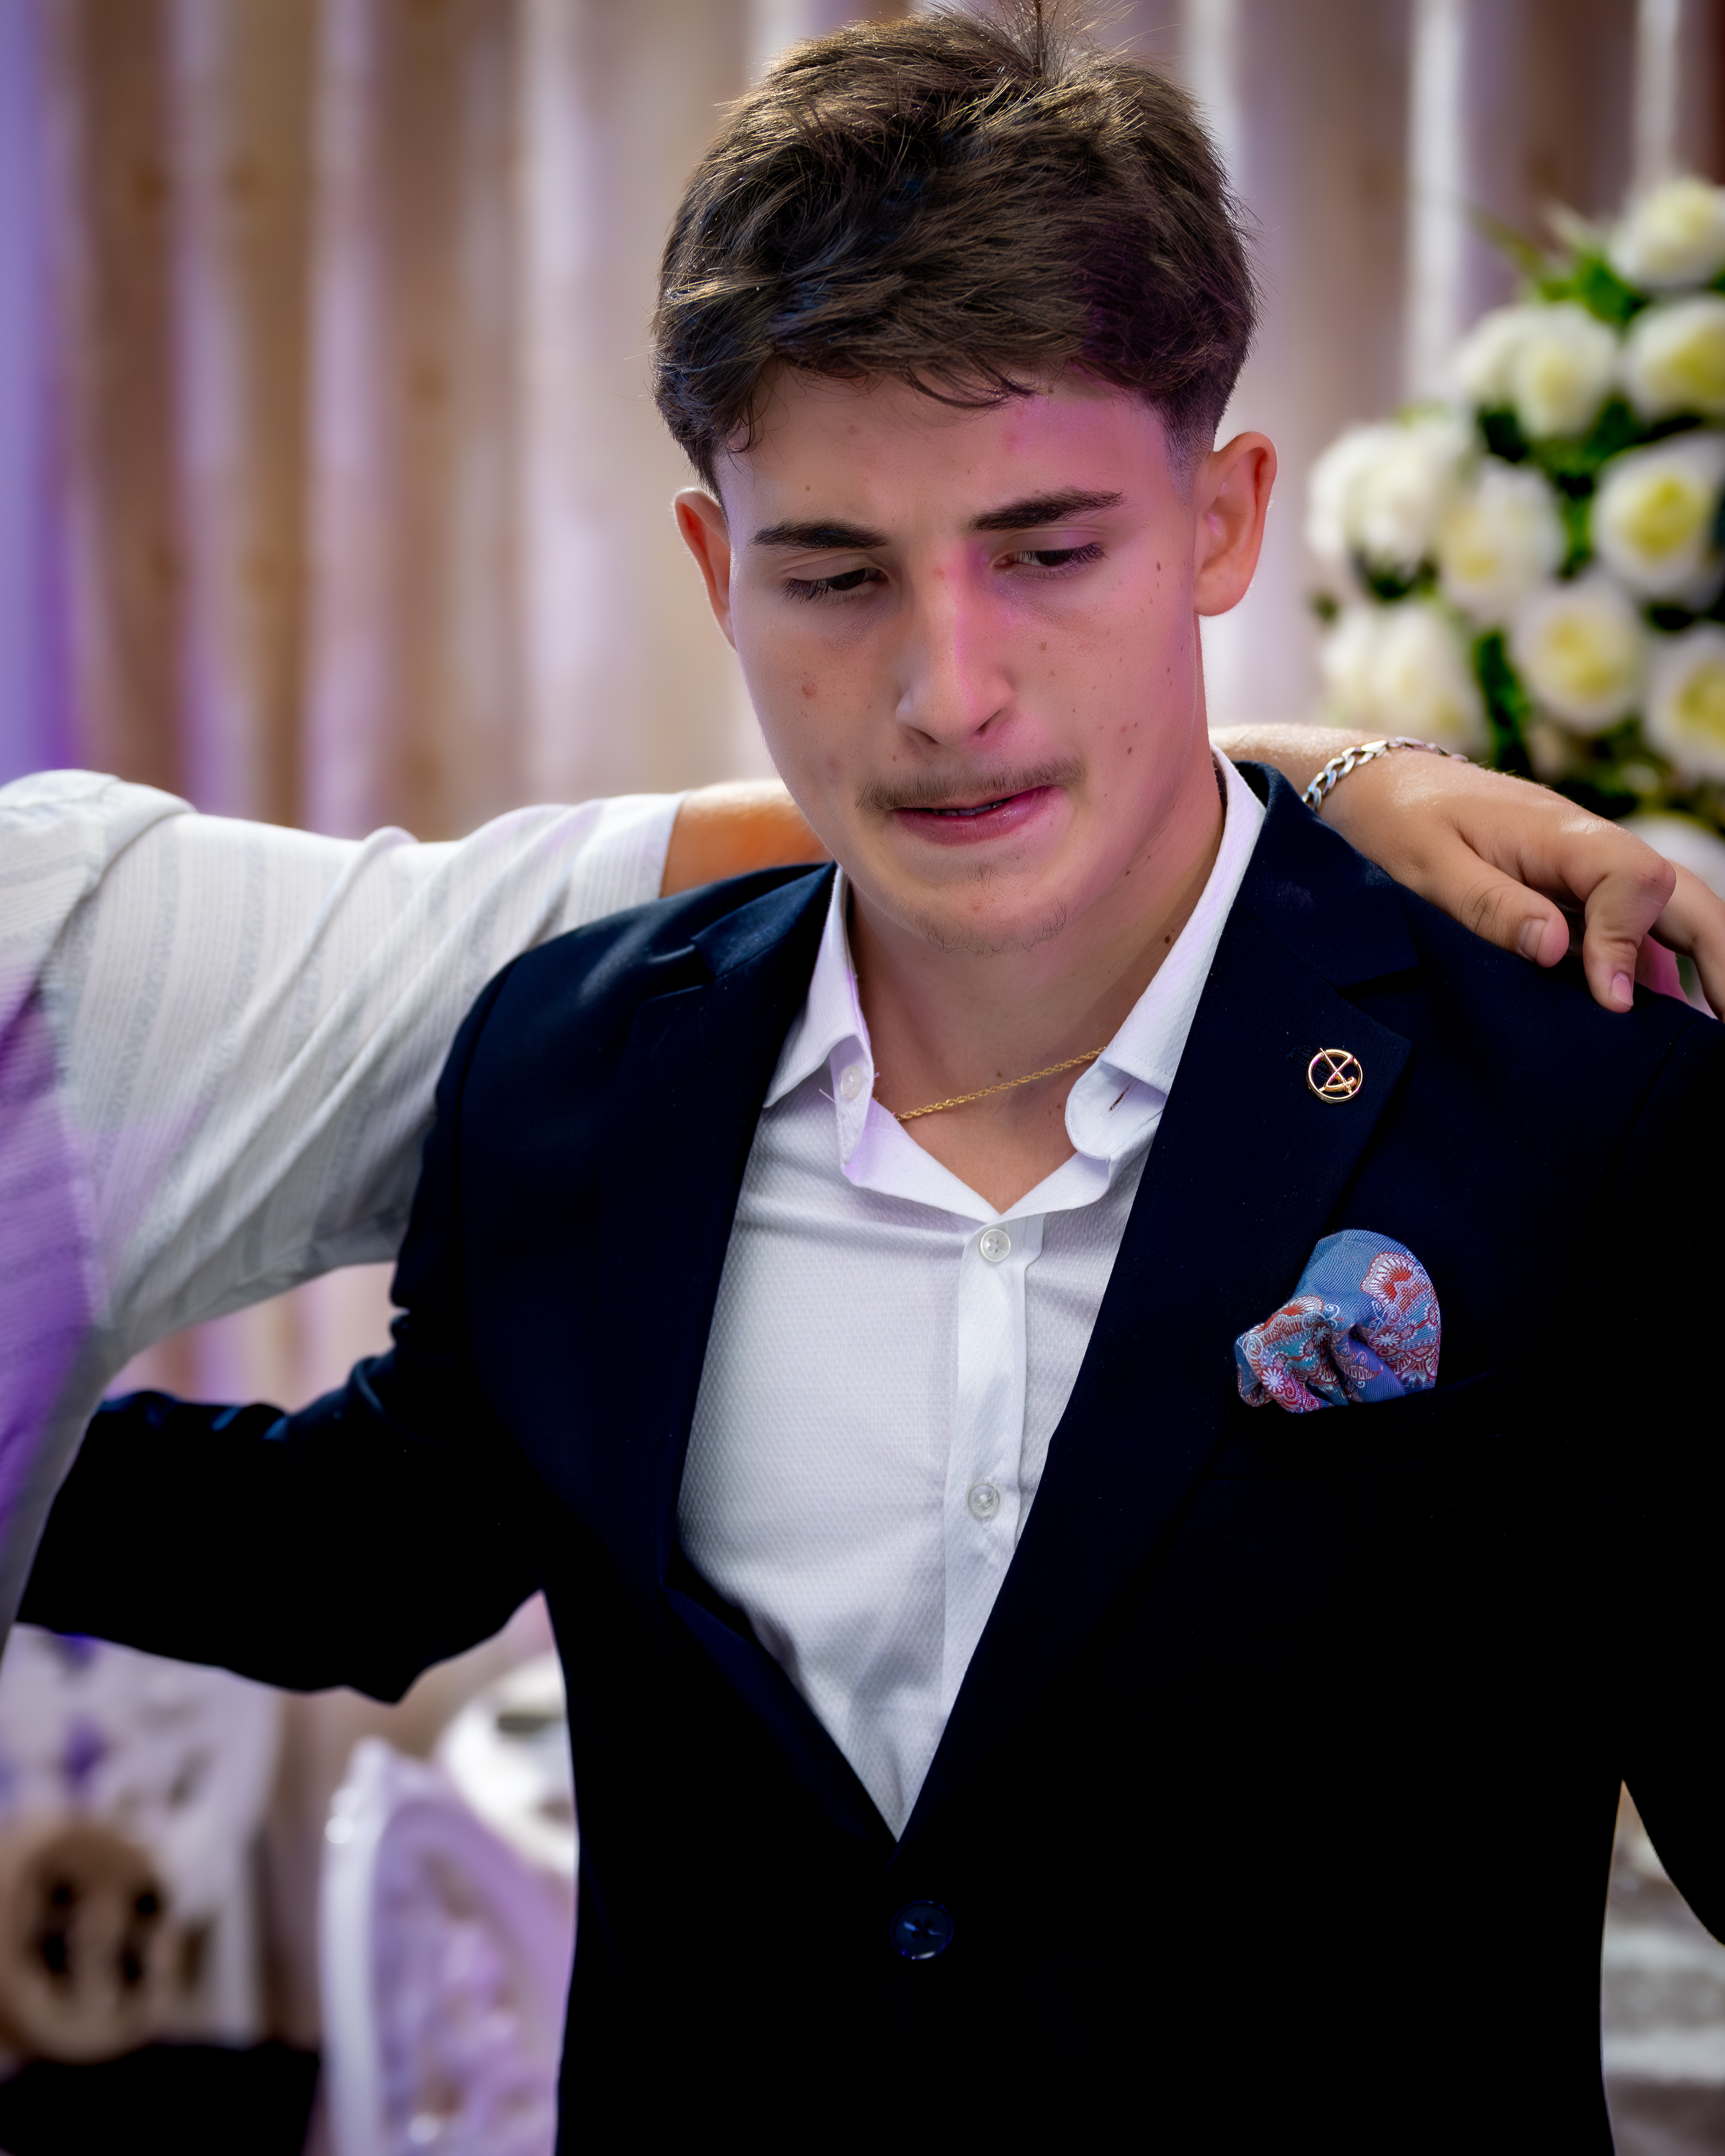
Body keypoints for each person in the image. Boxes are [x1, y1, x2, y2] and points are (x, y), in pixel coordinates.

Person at [14, 7, 1725, 2141]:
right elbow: (359, 1549)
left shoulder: (1573, 1099)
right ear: (715, 568)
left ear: (1220, 522)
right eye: (834, 575)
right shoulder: (570, 1068)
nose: (948, 690)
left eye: (1048, 552)